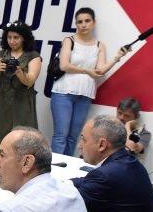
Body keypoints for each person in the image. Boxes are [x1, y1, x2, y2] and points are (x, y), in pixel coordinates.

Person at [72, 116, 153, 212]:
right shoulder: (129, 163)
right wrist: (65, 183)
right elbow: (85, 181)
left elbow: (64, 207)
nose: (79, 146)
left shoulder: (106, 176)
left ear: (102, 144)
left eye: (83, 139)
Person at [50, 8, 128, 156]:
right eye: (79, 22)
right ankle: (53, 171)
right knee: (61, 136)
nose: (83, 25)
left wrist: (117, 57)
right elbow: (64, 65)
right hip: (63, 93)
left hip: (85, 95)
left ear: (94, 22)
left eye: (87, 21)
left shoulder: (99, 45)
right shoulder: (69, 41)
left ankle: (65, 170)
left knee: (74, 136)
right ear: (76, 24)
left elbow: (100, 70)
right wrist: (86, 71)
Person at [0, 21, 42, 153]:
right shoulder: (1, 54)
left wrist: (19, 72)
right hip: (1, 103)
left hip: (22, 105)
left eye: (16, 37)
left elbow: (30, 81)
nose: (12, 41)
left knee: (23, 144)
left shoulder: (33, 56)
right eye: (9, 37)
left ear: (24, 38)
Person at [116, 97, 151, 162]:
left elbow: (132, 147)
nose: (121, 118)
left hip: (126, 168)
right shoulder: (110, 126)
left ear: (136, 117)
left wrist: (127, 126)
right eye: (119, 113)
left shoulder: (144, 133)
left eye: (127, 115)